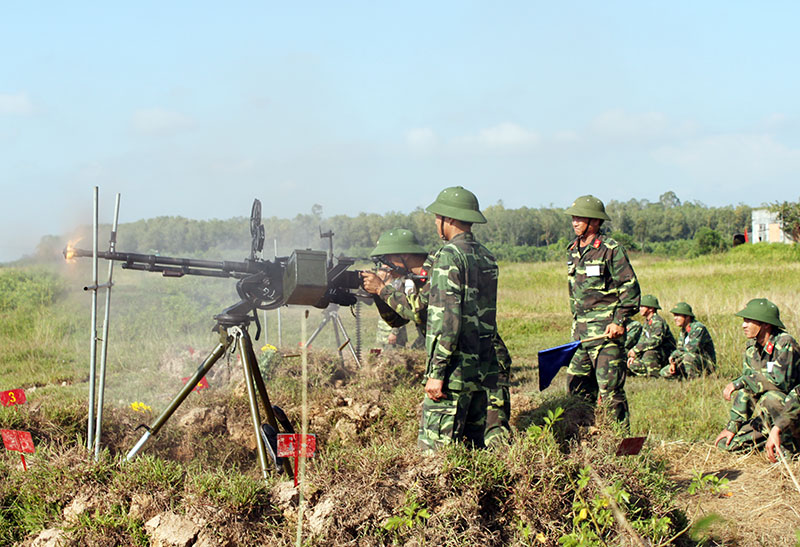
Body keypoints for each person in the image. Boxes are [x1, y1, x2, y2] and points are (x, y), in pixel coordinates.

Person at [361, 227, 513, 446]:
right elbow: (398, 320)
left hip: (485, 361)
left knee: (492, 438)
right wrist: (378, 294)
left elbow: (419, 310)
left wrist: (383, 290)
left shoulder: (439, 266)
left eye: (386, 260)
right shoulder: (412, 279)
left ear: (400, 256)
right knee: (470, 443)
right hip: (465, 359)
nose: (385, 267)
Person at [413, 186, 500, 452]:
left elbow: (446, 319)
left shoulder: (449, 256)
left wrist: (437, 373)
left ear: (448, 219)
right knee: (473, 452)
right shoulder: (486, 255)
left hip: (453, 374)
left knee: (434, 457)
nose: (435, 222)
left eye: (437, 216)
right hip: (480, 370)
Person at [564, 194, 640, 427]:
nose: (575, 222)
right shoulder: (572, 250)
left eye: (580, 218)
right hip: (580, 335)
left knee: (610, 392)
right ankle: (584, 440)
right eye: (574, 217)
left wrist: (619, 321)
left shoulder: (611, 249)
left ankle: (620, 446)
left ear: (595, 221)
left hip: (606, 334)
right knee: (576, 389)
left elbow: (630, 290)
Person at [714, 298, 800, 456]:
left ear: (766, 324)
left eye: (748, 320)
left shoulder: (785, 344)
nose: (743, 325)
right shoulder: (751, 350)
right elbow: (749, 389)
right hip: (772, 417)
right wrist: (732, 426)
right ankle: (771, 442)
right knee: (727, 445)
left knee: (771, 397)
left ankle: (789, 451)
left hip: (793, 414)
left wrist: (740, 382)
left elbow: (780, 381)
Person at [660, 302, 716, 379]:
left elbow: (690, 349)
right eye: (675, 315)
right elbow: (680, 349)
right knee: (664, 372)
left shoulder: (698, 328)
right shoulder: (683, 331)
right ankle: (682, 379)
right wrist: (674, 362)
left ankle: (694, 381)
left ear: (687, 317)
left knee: (689, 357)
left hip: (704, 363)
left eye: (678, 315)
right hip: (686, 359)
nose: (675, 318)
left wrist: (674, 355)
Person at [626, 295, 677, 377]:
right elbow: (642, 340)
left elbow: (655, 341)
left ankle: (654, 374)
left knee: (649, 354)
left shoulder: (658, 322)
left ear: (651, 309)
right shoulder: (647, 322)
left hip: (664, 353)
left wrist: (636, 350)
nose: (640, 309)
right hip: (653, 352)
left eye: (643, 306)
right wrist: (635, 354)